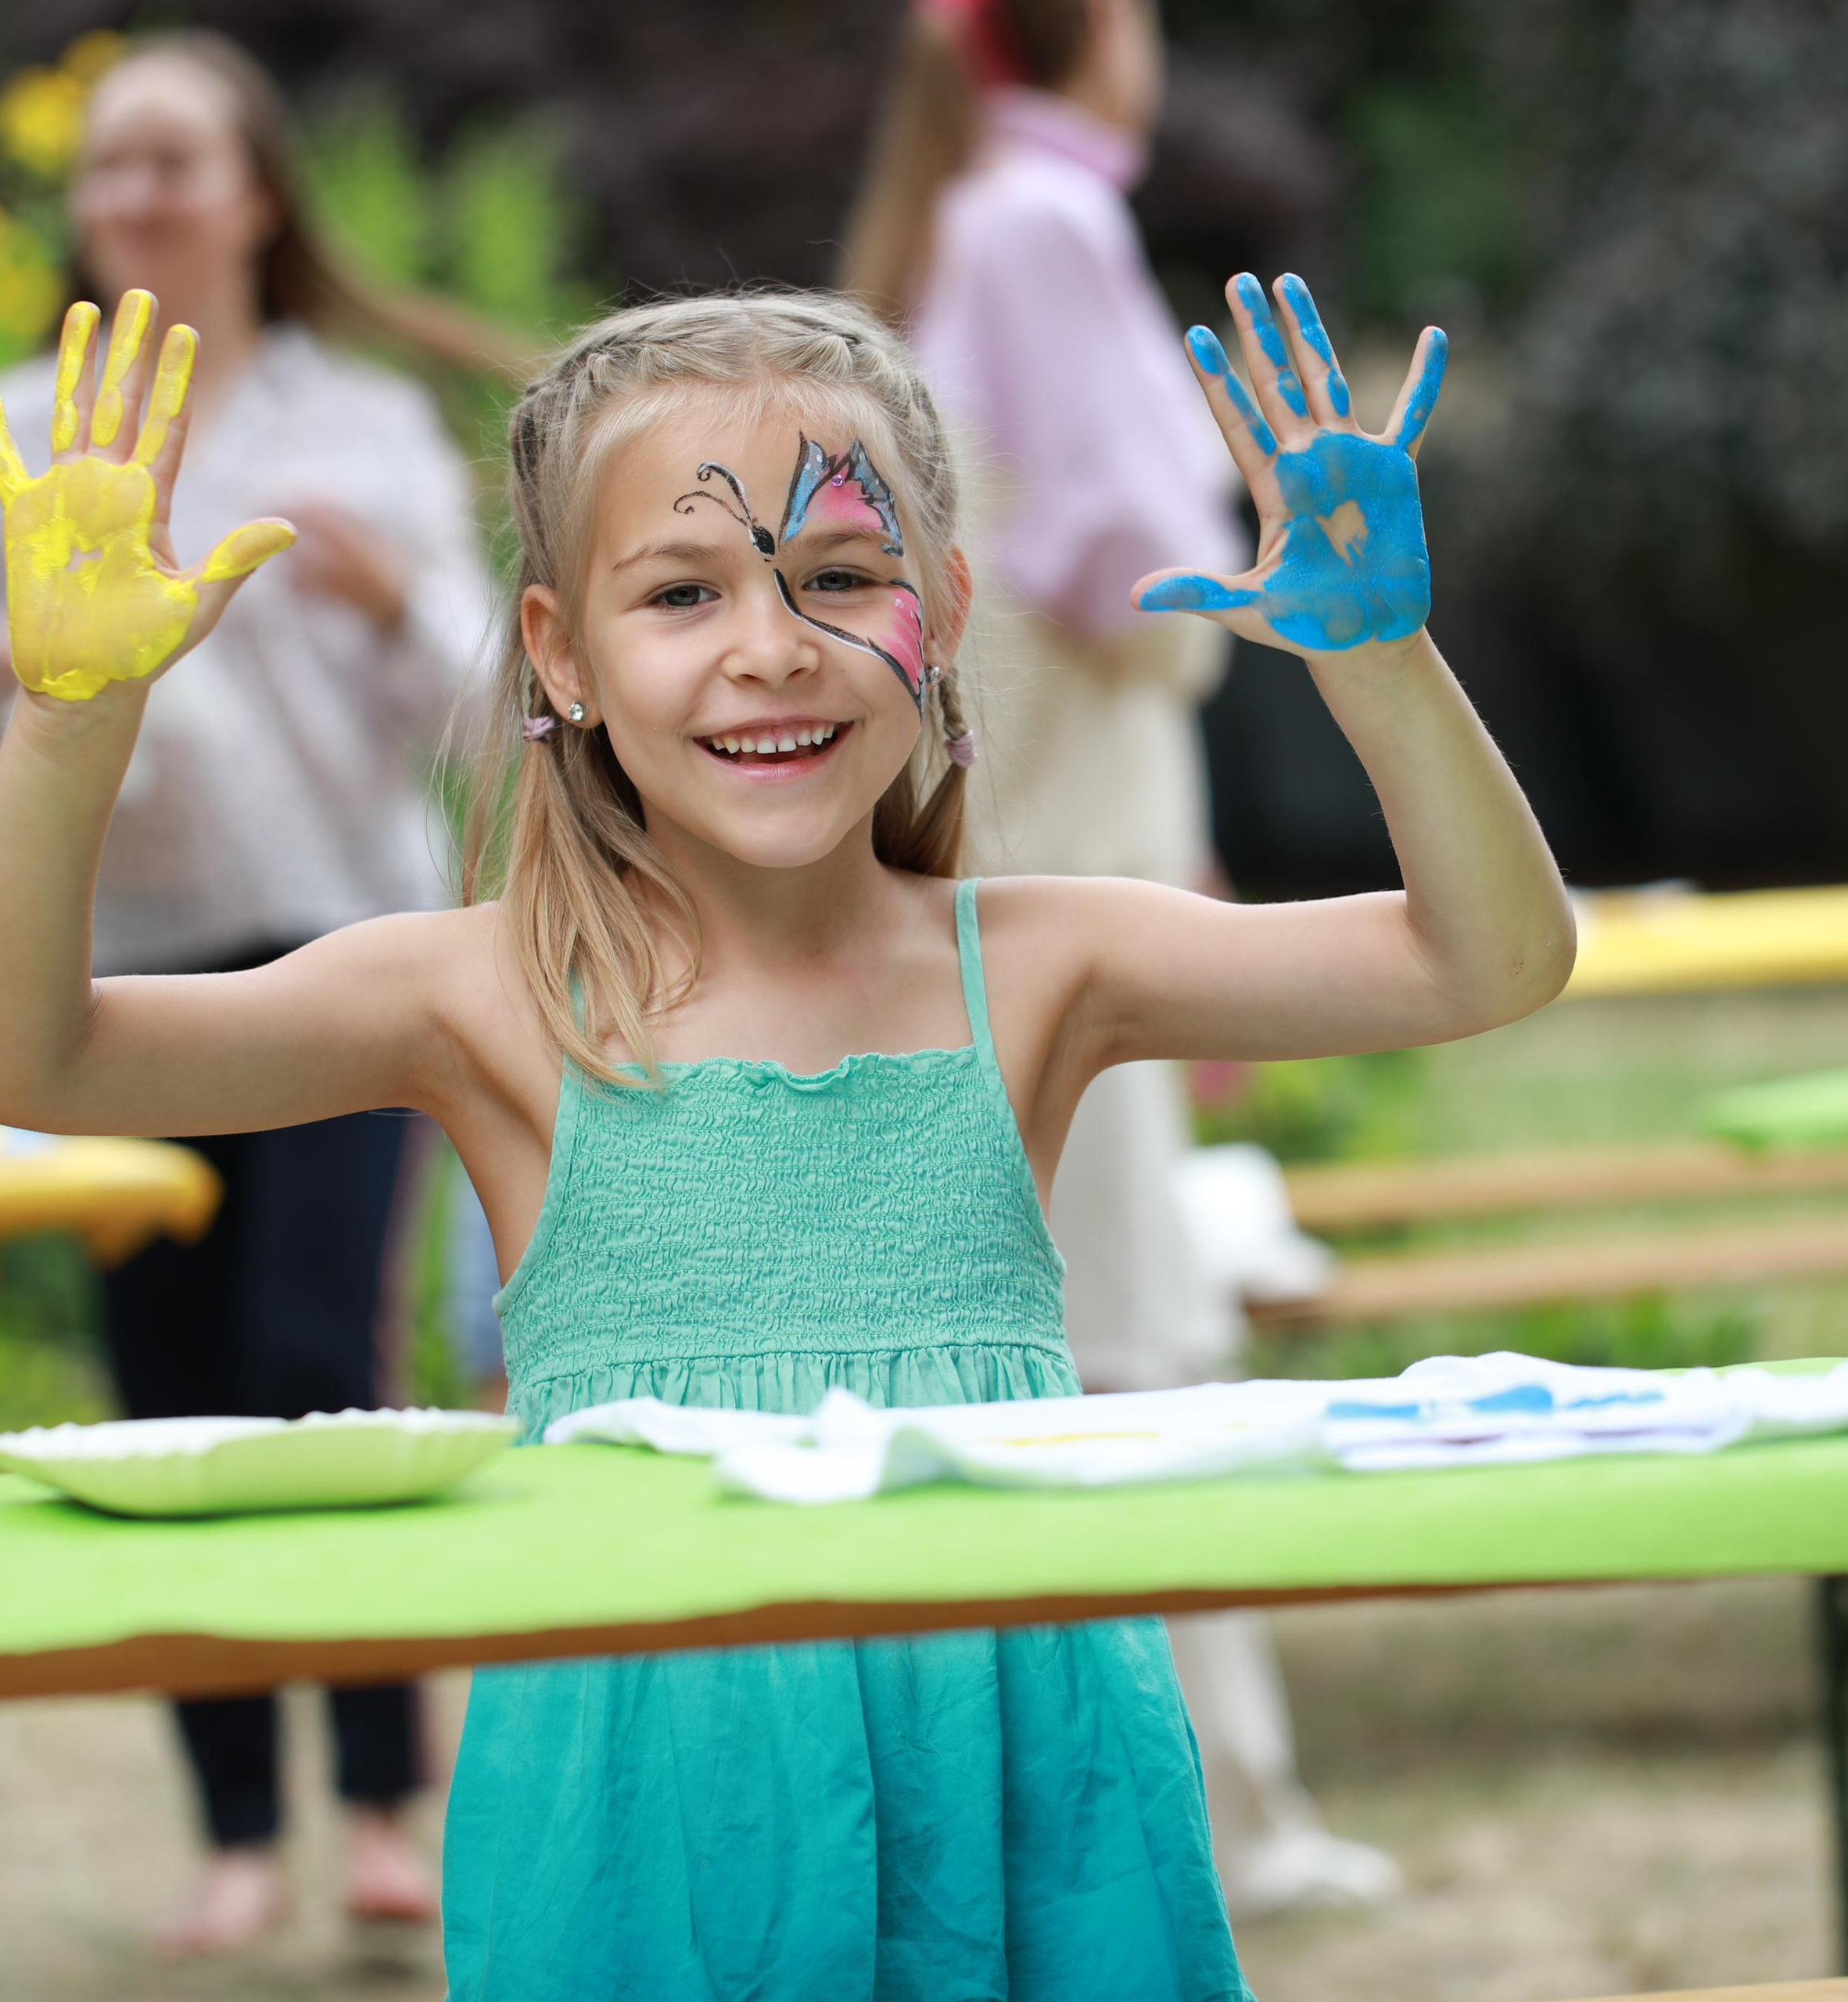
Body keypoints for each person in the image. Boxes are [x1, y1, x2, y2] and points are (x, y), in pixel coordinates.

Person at [0, 274, 1572, 1997]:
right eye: (680, 591)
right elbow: (20, 1053)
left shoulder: (1044, 963)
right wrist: (69, 717)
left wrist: (1379, 661)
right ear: (560, 653)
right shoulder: (483, 994)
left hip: (1020, 1761)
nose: (770, 645)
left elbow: (1487, 959)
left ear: (943, 607)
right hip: (648, 1805)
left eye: (840, 577)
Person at [0, 33, 501, 1955]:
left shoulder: (362, 424)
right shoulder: (5, 428)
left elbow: (500, 698)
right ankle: (236, 1827)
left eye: (174, 159)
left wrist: (392, 600)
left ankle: (381, 1803)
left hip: (340, 952)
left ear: (254, 194)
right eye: (110, 163)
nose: (136, 193)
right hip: (110, 969)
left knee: (317, 1357)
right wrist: (39, 659)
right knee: (159, 1404)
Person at [843, 0, 1401, 1915]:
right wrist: (1233, 605)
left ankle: (1142, 1811)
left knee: (1069, 1337)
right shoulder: (1039, 221)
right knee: (1125, 1343)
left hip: (1039, 850)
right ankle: (1221, 1818)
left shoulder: (972, 216)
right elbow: (1125, 566)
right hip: (1056, 866)